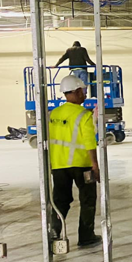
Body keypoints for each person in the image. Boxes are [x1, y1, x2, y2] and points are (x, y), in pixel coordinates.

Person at [48, 74, 102, 248]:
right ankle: (86, 236)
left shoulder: (53, 114)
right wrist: (95, 165)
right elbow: (89, 141)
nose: (85, 94)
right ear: (78, 91)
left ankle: (55, 233)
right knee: (88, 199)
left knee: (60, 201)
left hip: (59, 166)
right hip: (83, 165)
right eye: (84, 90)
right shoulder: (83, 115)